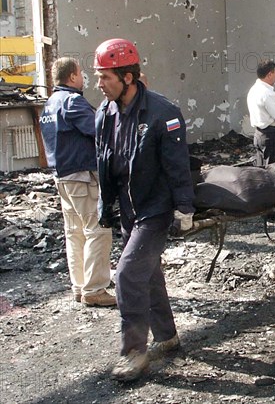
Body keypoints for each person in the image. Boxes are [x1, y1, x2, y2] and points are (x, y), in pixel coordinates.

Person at [93, 38, 195, 381]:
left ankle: (134, 352)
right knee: (147, 273)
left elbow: (177, 165)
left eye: (106, 77)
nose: (99, 83)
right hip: (128, 207)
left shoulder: (163, 113)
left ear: (128, 76)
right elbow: (104, 163)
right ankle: (167, 337)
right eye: (98, 76)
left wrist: (184, 208)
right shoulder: (104, 114)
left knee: (126, 275)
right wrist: (104, 206)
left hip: (156, 207)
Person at [39, 57, 116, 307]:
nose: (84, 78)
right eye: (82, 74)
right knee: (98, 229)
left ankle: (80, 286)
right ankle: (95, 289)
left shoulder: (50, 104)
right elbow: (100, 131)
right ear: (72, 76)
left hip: (63, 178)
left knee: (74, 233)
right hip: (83, 177)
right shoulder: (73, 102)